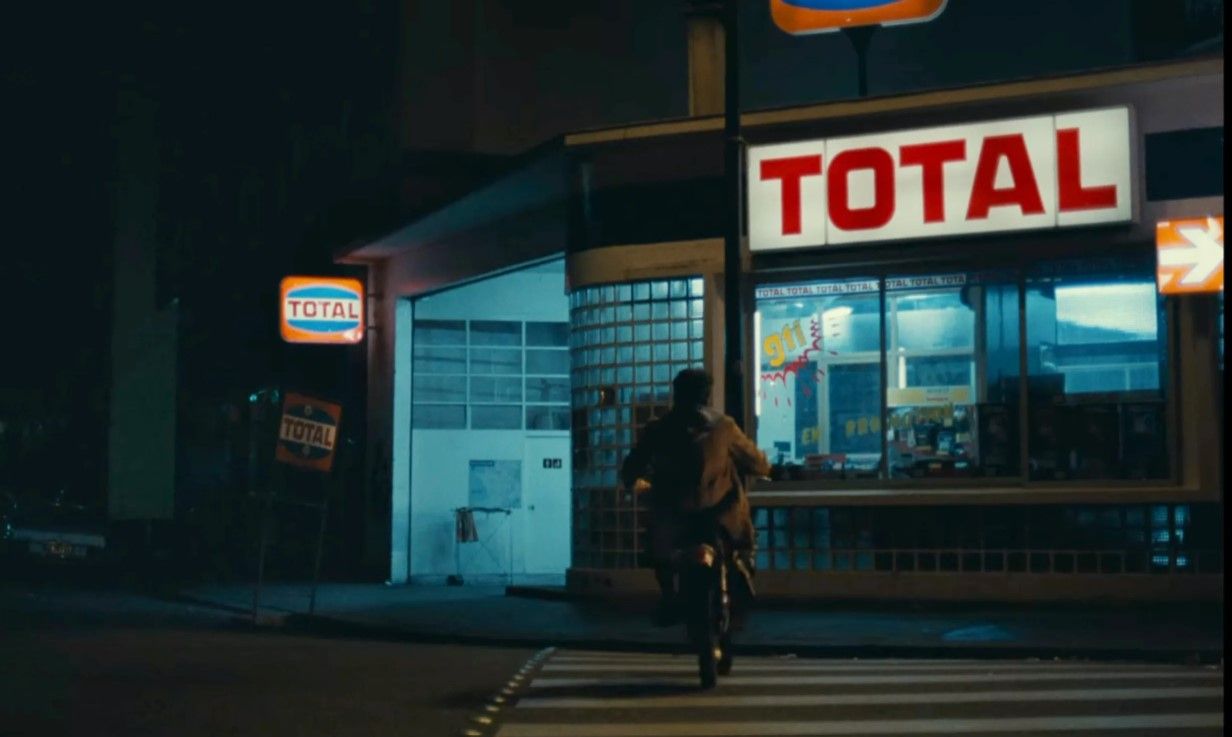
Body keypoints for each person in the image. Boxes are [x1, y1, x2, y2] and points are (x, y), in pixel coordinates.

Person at [620, 368, 770, 626]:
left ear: (677, 394)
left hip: (675, 515)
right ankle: (742, 567)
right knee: (740, 540)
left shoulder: (658, 429)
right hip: (720, 512)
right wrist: (767, 469)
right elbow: (755, 461)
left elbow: (633, 466)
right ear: (707, 395)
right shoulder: (723, 427)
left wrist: (634, 482)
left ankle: (669, 596)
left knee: (660, 552)